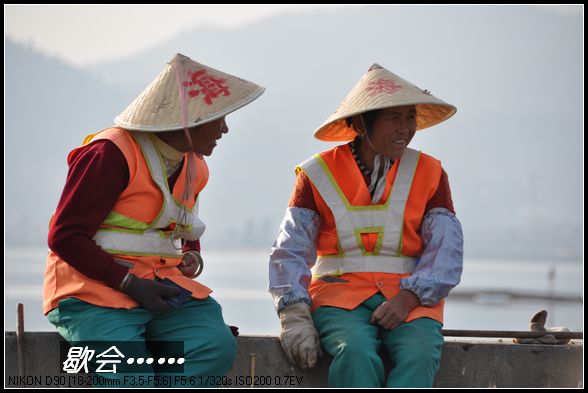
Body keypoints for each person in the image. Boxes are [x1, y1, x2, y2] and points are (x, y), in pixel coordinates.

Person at [43, 53, 264, 387]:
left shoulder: (195, 166)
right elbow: (64, 237)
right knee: (129, 373)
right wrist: (128, 283)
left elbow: (181, 227)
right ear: (186, 121)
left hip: (160, 289)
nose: (225, 128)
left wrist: (191, 256)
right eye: (218, 118)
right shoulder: (110, 154)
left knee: (213, 346)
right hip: (90, 293)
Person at [269, 64, 463, 388]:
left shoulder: (431, 173)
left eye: (410, 117)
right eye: (394, 118)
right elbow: (290, 249)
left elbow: (446, 249)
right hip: (337, 296)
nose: (406, 128)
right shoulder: (316, 174)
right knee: (355, 352)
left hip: (411, 298)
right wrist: (294, 314)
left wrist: (410, 298)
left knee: (420, 354)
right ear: (362, 123)